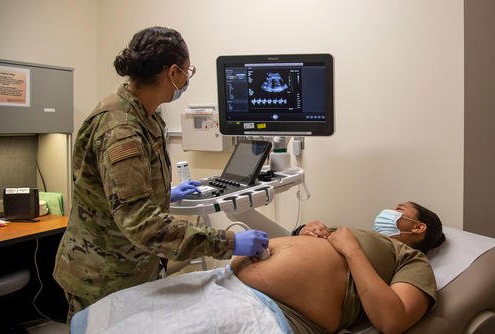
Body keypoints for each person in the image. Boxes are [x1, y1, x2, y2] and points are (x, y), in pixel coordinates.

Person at [53, 26, 268, 321]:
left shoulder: (148, 116)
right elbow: (142, 225)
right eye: (188, 71)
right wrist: (231, 243)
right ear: (173, 72)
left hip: (134, 265)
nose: (187, 79)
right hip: (103, 275)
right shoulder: (121, 129)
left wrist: (162, 195)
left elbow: (120, 191)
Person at [231, 201, 445, 334]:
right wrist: (304, 231)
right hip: (231, 283)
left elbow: (392, 320)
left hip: (280, 314)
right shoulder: (360, 234)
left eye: (399, 209)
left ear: (419, 227)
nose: (389, 211)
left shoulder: (412, 258)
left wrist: (352, 251)